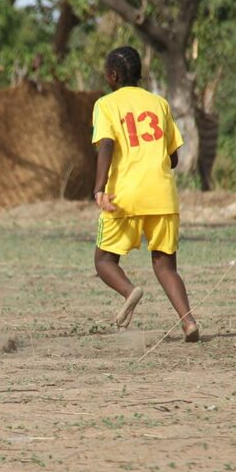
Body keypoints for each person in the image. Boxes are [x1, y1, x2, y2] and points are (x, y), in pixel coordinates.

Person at [91, 46, 199, 342]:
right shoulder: (159, 103)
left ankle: (129, 291)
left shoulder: (105, 104)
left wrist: (99, 189)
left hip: (124, 196)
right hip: (162, 195)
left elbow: (106, 145)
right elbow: (173, 158)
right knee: (166, 266)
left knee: (104, 261)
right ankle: (189, 322)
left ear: (113, 75)